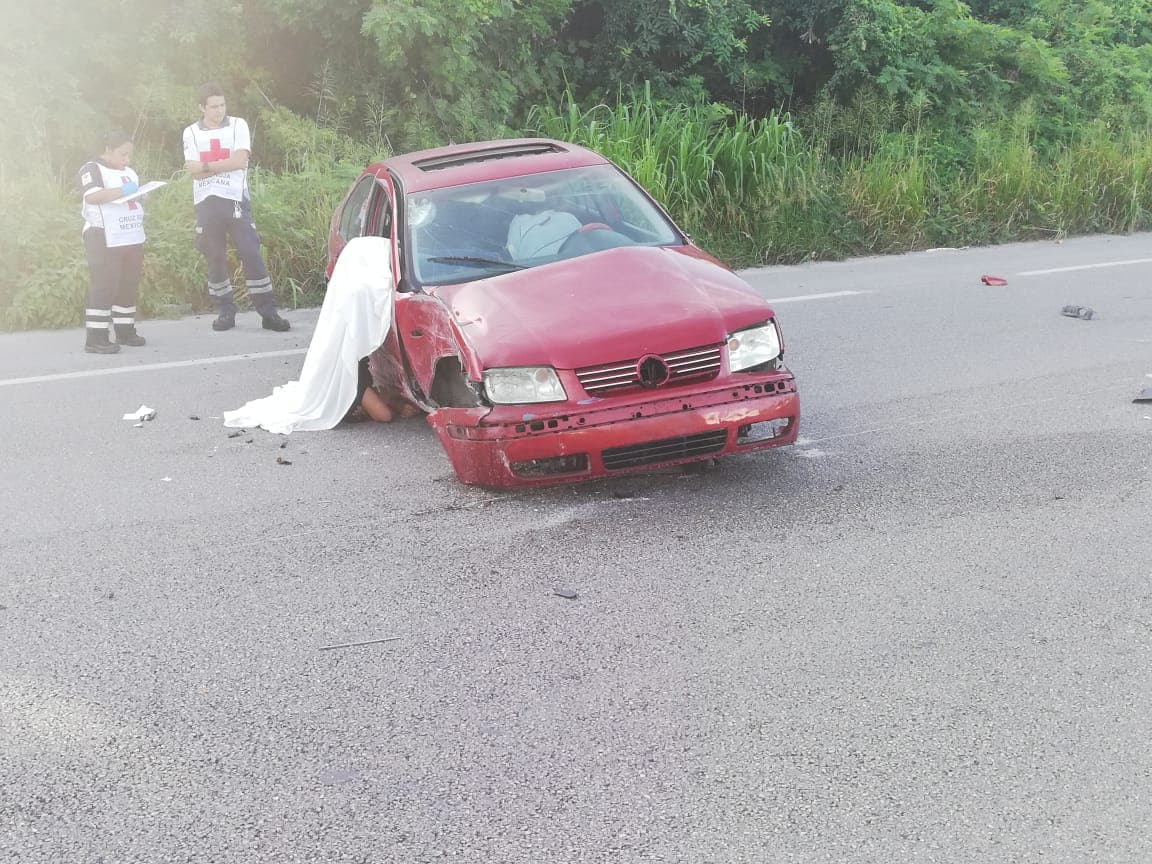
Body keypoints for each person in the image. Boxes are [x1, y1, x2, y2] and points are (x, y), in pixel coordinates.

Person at [222, 236, 416, 434]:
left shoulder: (351, 289)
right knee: (385, 415)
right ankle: (367, 402)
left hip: (355, 368)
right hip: (349, 371)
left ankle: (379, 402)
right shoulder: (360, 293)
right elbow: (384, 416)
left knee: (396, 409)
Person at [182, 82, 290, 332]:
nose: (219, 110)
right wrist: (223, 163)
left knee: (251, 253)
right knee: (215, 257)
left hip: (236, 200)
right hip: (207, 203)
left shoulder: (238, 125)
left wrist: (207, 166)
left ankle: (268, 312)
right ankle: (225, 312)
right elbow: (193, 172)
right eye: (213, 107)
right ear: (202, 107)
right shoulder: (191, 132)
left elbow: (240, 161)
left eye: (222, 105)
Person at [78, 130, 151, 354]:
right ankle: (96, 337)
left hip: (130, 236)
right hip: (103, 236)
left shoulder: (129, 172)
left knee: (128, 283)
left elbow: (129, 199)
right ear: (108, 150)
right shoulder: (92, 168)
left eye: (129, 155)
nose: (126, 160)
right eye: (122, 154)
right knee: (105, 284)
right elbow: (92, 196)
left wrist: (141, 194)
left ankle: (125, 330)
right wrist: (126, 190)